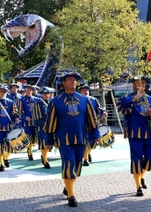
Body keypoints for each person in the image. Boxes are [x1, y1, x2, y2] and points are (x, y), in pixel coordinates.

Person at [43, 72, 100, 207]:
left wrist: (96, 134)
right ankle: (71, 196)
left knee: (77, 168)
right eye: (70, 79)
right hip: (64, 139)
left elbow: (92, 119)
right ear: (64, 83)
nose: (73, 81)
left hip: (81, 138)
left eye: (74, 80)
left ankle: (68, 187)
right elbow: (51, 122)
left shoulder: (84, 100)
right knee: (69, 165)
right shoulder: (55, 101)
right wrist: (48, 140)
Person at [116, 75, 151, 197]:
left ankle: (141, 176)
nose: (140, 85)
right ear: (133, 85)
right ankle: (138, 186)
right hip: (134, 134)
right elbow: (121, 106)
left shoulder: (150, 99)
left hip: (149, 134)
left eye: (143, 83)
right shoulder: (127, 97)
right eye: (138, 83)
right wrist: (136, 98)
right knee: (136, 160)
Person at [0, 84, 20, 172]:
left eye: (4, 91)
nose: (2, 93)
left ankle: (5, 158)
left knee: (10, 147)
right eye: (0, 91)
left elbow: (15, 114)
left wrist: (17, 118)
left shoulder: (11, 103)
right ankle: (1, 164)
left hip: (9, 128)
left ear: (6, 92)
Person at [78, 85, 107, 166]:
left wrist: (103, 112)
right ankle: (85, 159)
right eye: (83, 90)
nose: (85, 91)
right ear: (80, 91)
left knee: (93, 141)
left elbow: (100, 108)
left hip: (93, 124)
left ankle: (88, 153)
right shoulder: (78, 100)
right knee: (85, 141)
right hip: (82, 125)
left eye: (86, 90)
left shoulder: (93, 100)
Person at [33, 86, 52, 169]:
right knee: (44, 144)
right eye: (45, 93)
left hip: (51, 127)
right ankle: (45, 160)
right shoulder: (38, 103)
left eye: (48, 93)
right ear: (41, 94)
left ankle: (44, 156)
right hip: (42, 127)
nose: (46, 95)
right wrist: (45, 126)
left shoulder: (51, 102)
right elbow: (37, 118)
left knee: (49, 144)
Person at [19, 84, 39, 160]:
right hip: (26, 122)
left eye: (31, 89)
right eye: (28, 89)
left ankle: (30, 148)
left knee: (34, 138)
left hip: (35, 121)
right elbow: (19, 112)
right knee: (29, 136)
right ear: (25, 90)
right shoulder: (21, 100)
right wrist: (24, 117)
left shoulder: (36, 99)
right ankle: (30, 153)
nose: (29, 91)